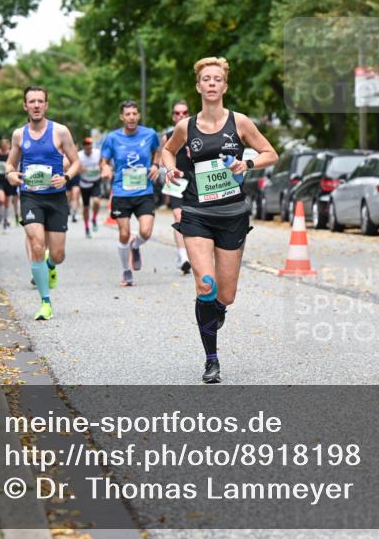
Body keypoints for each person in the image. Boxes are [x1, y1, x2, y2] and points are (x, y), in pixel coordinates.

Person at [163, 57, 278, 383]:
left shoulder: (240, 122)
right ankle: (211, 360)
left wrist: (248, 164)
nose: (212, 84)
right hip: (197, 212)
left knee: (225, 295)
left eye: (217, 79)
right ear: (199, 86)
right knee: (205, 284)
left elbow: (271, 153)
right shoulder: (187, 126)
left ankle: (218, 309)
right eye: (206, 79)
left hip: (232, 215)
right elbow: (168, 150)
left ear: (224, 86)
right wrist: (169, 167)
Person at [4, 86, 81, 321]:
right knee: (37, 244)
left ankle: (51, 265)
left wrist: (66, 178)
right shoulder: (19, 135)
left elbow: (76, 162)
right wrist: (10, 175)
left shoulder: (60, 132)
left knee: (57, 254)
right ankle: (45, 302)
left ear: (46, 105)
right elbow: (9, 165)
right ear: (25, 106)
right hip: (30, 195)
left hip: (56, 197)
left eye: (40, 101)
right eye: (31, 101)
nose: (36, 105)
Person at [100, 101, 161, 287]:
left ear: (139, 115)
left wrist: (156, 165)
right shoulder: (112, 138)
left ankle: (136, 246)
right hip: (121, 191)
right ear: (122, 117)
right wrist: (105, 169)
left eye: (135, 113)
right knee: (124, 233)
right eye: (128, 114)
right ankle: (126, 271)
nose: (132, 117)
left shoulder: (150, 134)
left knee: (145, 232)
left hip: (144, 190)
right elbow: (104, 161)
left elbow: (157, 151)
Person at [160, 100, 192, 273]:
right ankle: (183, 256)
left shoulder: (198, 133)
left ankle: (192, 253)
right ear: (173, 116)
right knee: (178, 216)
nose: (181, 115)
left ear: (188, 115)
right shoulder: (168, 136)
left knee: (195, 220)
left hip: (196, 181)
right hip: (177, 181)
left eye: (184, 113)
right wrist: (167, 169)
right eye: (177, 113)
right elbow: (162, 159)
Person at [77, 137, 103, 237]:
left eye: (90, 147)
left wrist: (101, 167)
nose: (89, 149)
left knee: (97, 201)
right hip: (85, 183)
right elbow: (75, 167)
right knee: (86, 207)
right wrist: (80, 170)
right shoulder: (79, 155)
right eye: (87, 147)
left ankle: (94, 218)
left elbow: (103, 162)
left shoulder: (97, 152)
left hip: (96, 181)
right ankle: (87, 227)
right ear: (84, 147)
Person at [0, 138, 19, 230]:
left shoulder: (11, 154)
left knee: (7, 202)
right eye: (3, 146)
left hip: (8, 180)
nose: (5, 148)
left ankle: (5, 219)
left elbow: (15, 166)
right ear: (1, 146)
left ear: (9, 146)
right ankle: (1, 217)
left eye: (6, 146)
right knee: (2, 199)